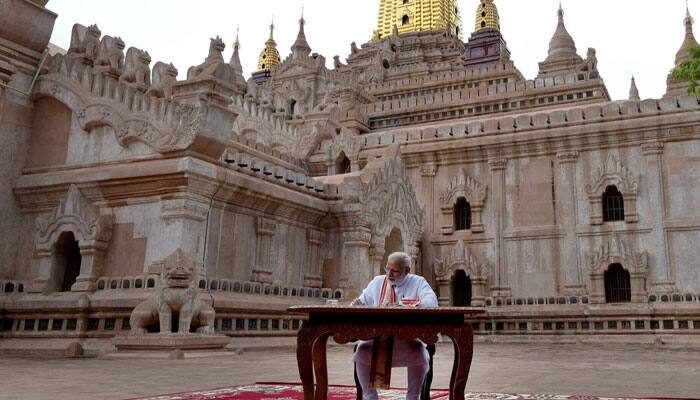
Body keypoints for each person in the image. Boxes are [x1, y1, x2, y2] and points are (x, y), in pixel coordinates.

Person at [349, 252, 438, 400]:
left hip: (407, 338)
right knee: (361, 350)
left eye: (395, 270)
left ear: (407, 270)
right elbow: (362, 300)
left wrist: (412, 305)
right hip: (377, 338)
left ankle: (413, 396)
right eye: (387, 268)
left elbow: (431, 302)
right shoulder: (378, 282)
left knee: (419, 352)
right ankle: (370, 396)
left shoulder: (418, 282)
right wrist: (357, 304)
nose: (389, 274)